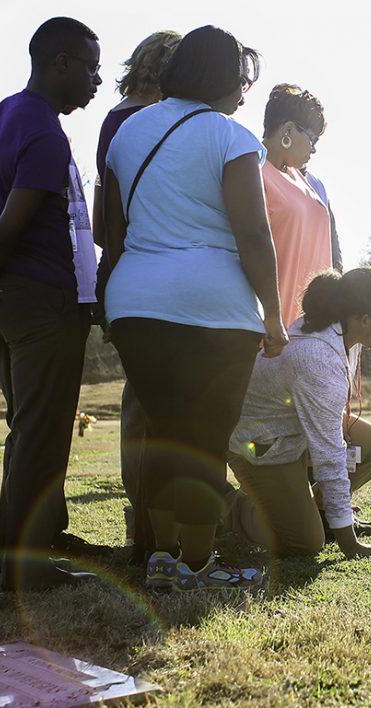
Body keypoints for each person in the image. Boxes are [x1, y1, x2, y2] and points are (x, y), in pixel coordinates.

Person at [103, 25, 288, 591]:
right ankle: (199, 564)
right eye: (240, 79)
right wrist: (275, 317)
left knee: (163, 431)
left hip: (135, 301)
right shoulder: (229, 136)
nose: (242, 93)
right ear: (221, 79)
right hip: (213, 307)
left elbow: (114, 234)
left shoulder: (128, 131)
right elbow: (253, 236)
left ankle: (159, 559)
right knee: (205, 436)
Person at [0, 17, 103, 590]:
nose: (97, 80)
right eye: (90, 67)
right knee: (42, 431)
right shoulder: (44, 133)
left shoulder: (1, 117)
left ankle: (17, 557)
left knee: (27, 426)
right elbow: (9, 227)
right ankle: (24, 567)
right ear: (60, 63)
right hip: (38, 301)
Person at [227, 268, 371, 559]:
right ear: (365, 319)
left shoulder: (345, 334)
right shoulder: (316, 356)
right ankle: (216, 505)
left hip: (295, 431)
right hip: (260, 445)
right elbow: (329, 455)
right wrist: (349, 543)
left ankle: (319, 514)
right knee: (304, 543)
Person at [91, 30, 181, 564]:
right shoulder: (135, 121)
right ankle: (147, 522)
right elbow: (107, 220)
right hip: (141, 271)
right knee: (147, 405)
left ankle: (150, 517)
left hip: (126, 272)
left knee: (143, 403)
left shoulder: (117, 118)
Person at [261, 84, 333, 326]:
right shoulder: (253, 172)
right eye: (311, 138)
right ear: (288, 130)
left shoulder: (305, 181)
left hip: (313, 330)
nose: (314, 148)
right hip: (270, 326)